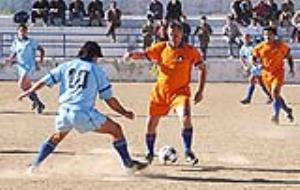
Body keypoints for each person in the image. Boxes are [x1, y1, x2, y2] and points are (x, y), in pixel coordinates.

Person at [18, 41, 148, 174]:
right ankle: (129, 165)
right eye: (97, 57)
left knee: (56, 137)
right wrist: (124, 112)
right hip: (82, 112)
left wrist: (30, 91)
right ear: (94, 56)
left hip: (64, 111)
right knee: (116, 130)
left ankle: (34, 166)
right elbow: (109, 99)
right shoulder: (96, 70)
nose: (97, 60)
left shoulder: (66, 66)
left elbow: (44, 81)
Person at [124, 21, 207, 165]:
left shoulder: (190, 51)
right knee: (151, 125)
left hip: (180, 93)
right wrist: (131, 55)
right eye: (170, 35)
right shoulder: (161, 48)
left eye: (176, 35)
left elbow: (203, 69)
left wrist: (200, 91)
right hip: (160, 93)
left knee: (186, 118)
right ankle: (150, 153)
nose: (173, 37)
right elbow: (144, 55)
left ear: (182, 34)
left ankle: (188, 151)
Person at [252, 27, 295, 124]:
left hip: (278, 73)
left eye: (269, 34)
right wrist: (257, 64)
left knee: (275, 92)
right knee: (276, 96)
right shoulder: (259, 47)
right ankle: (288, 110)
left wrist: (291, 68)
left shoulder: (280, 46)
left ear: (274, 35)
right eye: (265, 34)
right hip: (266, 75)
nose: (267, 36)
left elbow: (289, 56)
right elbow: (254, 58)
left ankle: (276, 115)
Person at [6, 24, 45, 114]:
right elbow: (14, 53)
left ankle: (38, 103)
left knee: (21, 84)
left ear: (26, 32)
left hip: (30, 66)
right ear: (17, 32)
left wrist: (40, 62)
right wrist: (10, 60)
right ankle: (38, 103)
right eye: (20, 31)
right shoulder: (16, 42)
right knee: (26, 87)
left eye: (24, 31)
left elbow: (41, 50)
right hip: (21, 66)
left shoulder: (31, 42)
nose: (22, 33)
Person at [239, 33, 272, 104]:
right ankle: (270, 96)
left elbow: (260, 55)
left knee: (252, 80)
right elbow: (242, 57)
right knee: (261, 83)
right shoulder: (243, 48)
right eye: (245, 38)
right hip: (252, 66)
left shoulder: (254, 47)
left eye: (247, 38)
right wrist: (245, 65)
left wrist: (260, 63)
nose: (246, 40)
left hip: (257, 66)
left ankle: (248, 98)